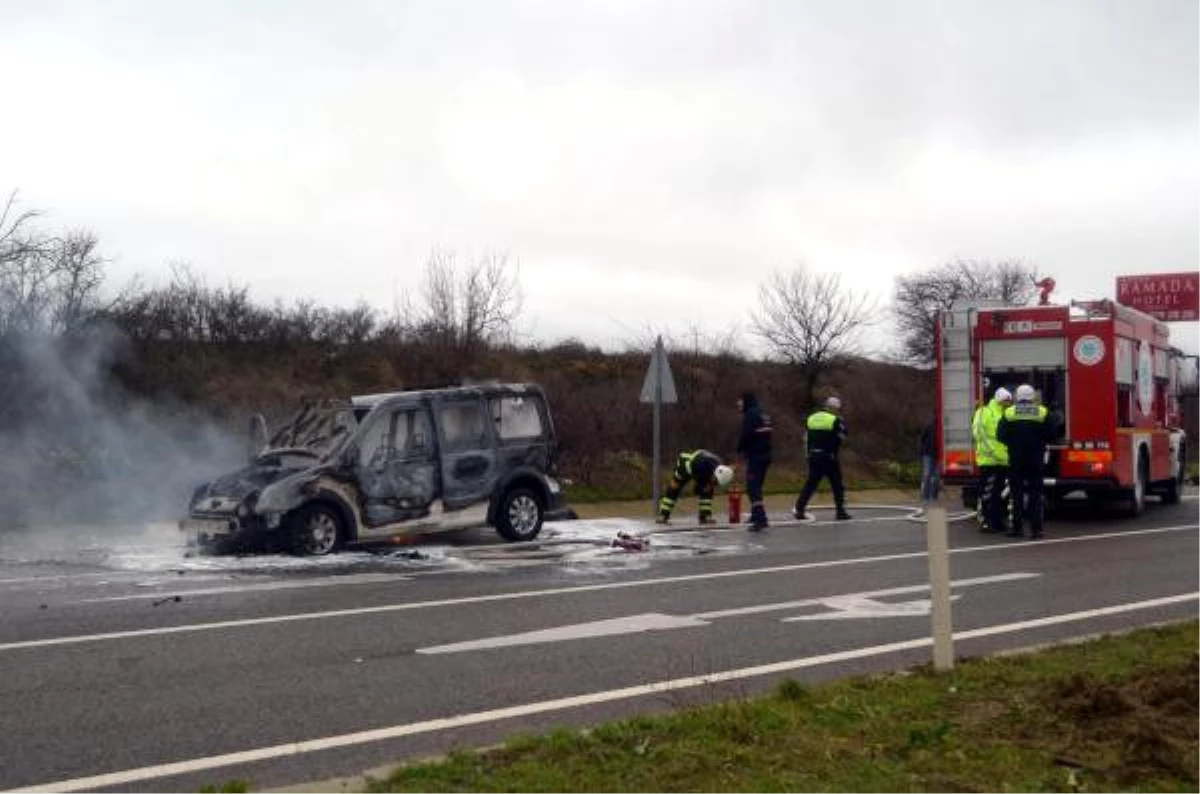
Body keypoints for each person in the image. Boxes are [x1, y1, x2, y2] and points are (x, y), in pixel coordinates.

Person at [997, 383, 1053, 539]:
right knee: (1036, 495)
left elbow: (1000, 435)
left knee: (1016, 495)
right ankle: (1037, 530)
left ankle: (1017, 528)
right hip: (1036, 460)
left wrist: (1013, 444)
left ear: (1017, 397)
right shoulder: (1042, 412)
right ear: (1032, 397)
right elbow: (1052, 433)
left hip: (1016, 459)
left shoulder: (1009, 413)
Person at [793, 396, 851, 521]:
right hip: (829, 457)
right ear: (834, 408)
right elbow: (843, 436)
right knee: (837, 484)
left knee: (811, 483)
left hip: (814, 455)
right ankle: (840, 511)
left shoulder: (812, 418)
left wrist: (808, 454)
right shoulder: (835, 420)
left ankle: (799, 508)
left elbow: (806, 438)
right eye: (837, 409)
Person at [973, 386, 1013, 533]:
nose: (1008, 403)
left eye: (1009, 400)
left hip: (1003, 461)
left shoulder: (1006, 413)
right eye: (1006, 400)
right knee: (988, 493)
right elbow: (978, 433)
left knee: (1000, 495)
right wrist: (990, 451)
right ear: (999, 399)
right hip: (989, 461)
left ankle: (997, 521)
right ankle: (986, 522)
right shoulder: (984, 411)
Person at [657, 449, 734, 525]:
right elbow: (696, 489)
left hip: (699, 465)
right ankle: (663, 515)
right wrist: (705, 486)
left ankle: (705, 516)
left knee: (707, 490)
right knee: (673, 489)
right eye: (716, 481)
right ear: (716, 474)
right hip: (684, 466)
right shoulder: (701, 467)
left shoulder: (719, 466)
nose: (715, 484)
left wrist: (709, 485)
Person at [736, 391, 773, 531]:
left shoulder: (750, 415)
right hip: (766, 455)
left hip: (756, 456)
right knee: (757, 486)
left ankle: (761, 519)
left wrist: (739, 450)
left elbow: (746, 435)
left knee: (752, 488)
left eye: (740, 401)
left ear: (746, 401)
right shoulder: (763, 414)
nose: (738, 404)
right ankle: (754, 515)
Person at [918, 415, 940, 510]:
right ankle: (926, 496)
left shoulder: (932, 426)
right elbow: (922, 438)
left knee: (933, 476)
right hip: (928, 454)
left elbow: (922, 439)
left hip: (934, 454)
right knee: (929, 475)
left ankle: (931, 497)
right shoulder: (930, 426)